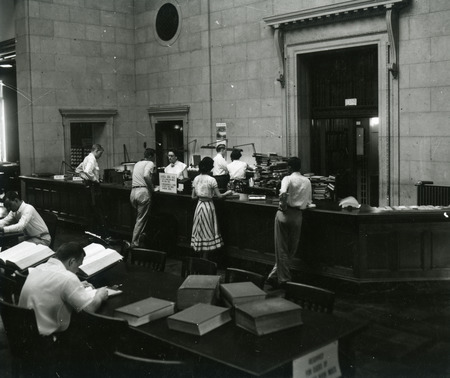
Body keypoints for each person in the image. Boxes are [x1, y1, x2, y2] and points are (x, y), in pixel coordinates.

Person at [18, 242, 108, 336]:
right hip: (47, 338)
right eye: (78, 265)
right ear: (71, 261)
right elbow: (89, 310)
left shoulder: (38, 268)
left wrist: (77, 286)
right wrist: (99, 295)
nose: (77, 270)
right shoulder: (68, 278)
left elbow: (52, 286)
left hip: (26, 330)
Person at [266, 157, 312, 289]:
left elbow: (282, 193)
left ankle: (283, 280)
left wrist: (283, 207)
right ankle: (274, 276)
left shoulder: (287, 179)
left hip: (284, 215)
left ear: (289, 168)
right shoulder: (307, 181)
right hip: (297, 216)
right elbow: (308, 201)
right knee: (292, 249)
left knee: (281, 249)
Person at [191, 157, 232, 259]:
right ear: (209, 167)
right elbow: (220, 196)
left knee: (200, 230)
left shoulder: (196, 178)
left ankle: (200, 258)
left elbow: (193, 197)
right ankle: (205, 259)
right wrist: (228, 192)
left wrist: (202, 194)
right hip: (208, 207)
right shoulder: (211, 179)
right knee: (208, 230)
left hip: (199, 206)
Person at [75, 144, 109, 238]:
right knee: (98, 211)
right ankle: (103, 235)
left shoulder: (86, 158)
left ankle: (93, 233)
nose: (100, 156)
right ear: (96, 150)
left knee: (92, 211)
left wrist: (85, 178)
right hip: (94, 188)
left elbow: (78, 170)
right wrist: (95, 179)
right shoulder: (91, 159)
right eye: (100, 153)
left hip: (89, 187)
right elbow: (87, 171)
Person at [129, 148, 155, 248]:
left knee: (138, 218)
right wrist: (152, 188)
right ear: (151, 156)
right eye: (154, 157)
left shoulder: (137, 163)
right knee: (141, 220)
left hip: (133, 192)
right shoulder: (150, 163)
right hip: (143, 193)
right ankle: (134, 243)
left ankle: (140, 239)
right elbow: (146, 175)